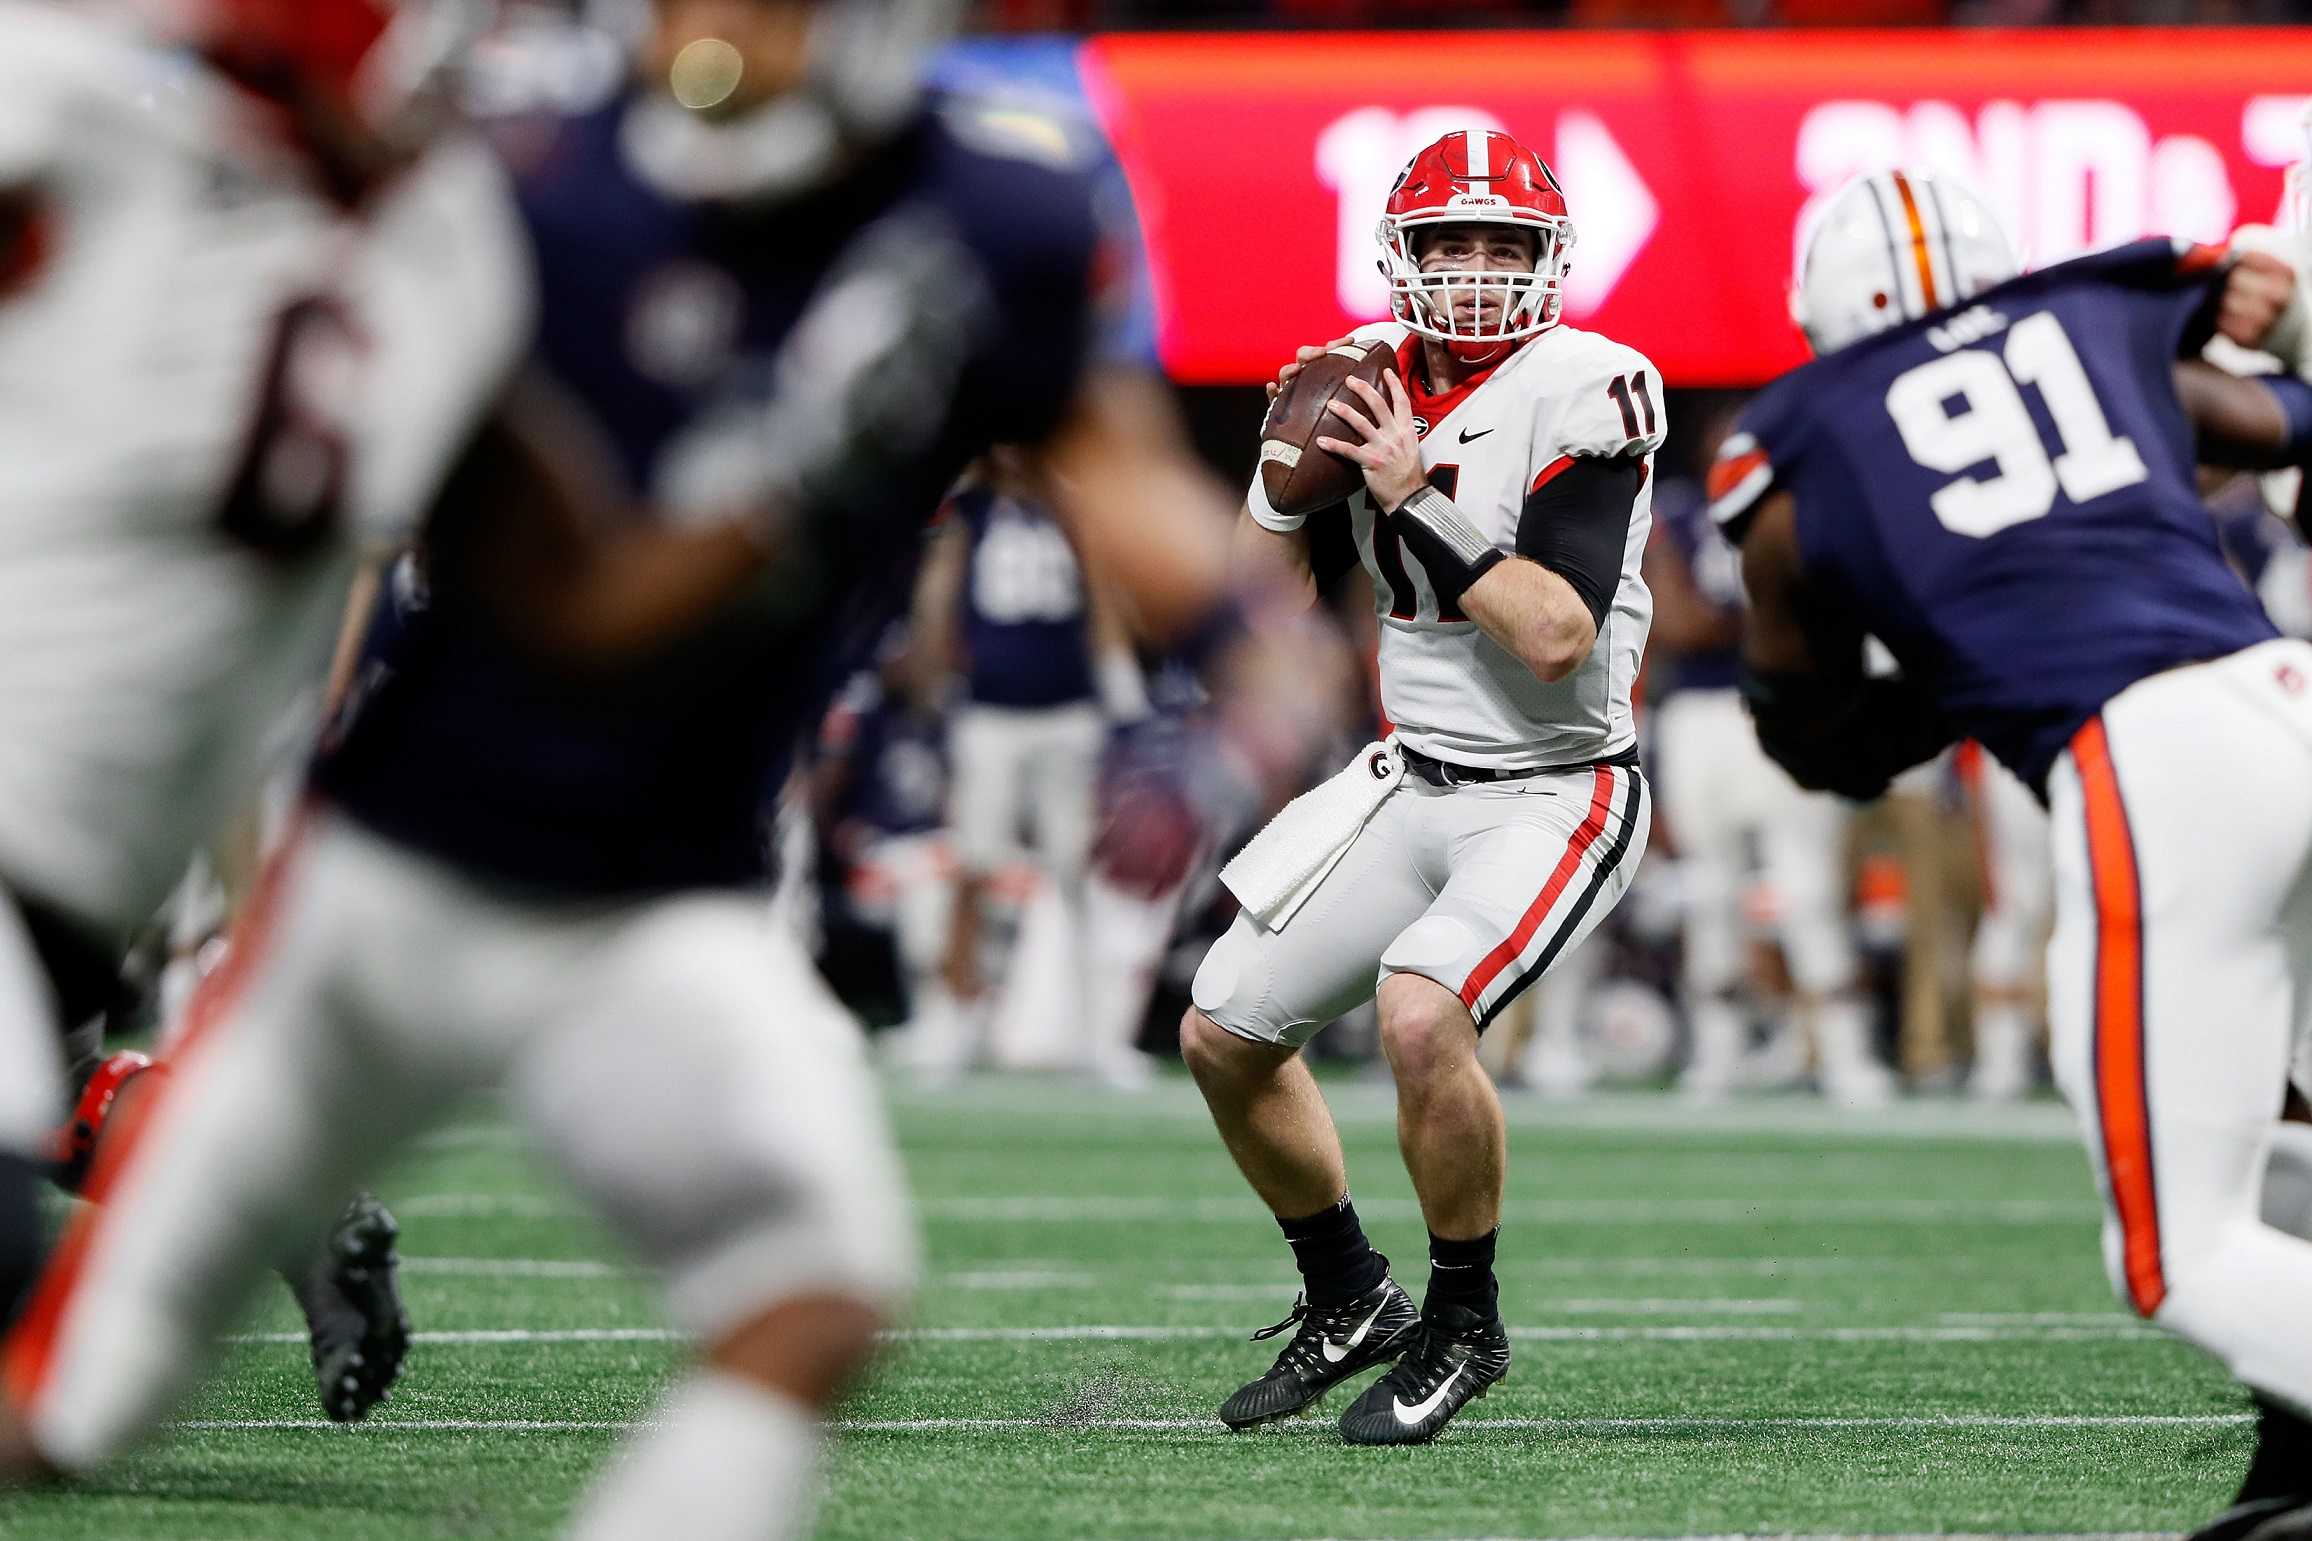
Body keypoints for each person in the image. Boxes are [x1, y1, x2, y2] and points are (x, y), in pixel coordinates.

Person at [0, 2, 1339, 1535]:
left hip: (654, 910)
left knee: (820, 1288)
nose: (704, 31)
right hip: (384, 887)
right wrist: (798, 466)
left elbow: (1142, 499)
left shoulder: (991, 213)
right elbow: (573, 611)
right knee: (68, 1402)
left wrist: (1243, 703)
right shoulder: (519, 196)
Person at [1711, 167, 2312, 1541]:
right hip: (2287, 699)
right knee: (2280, 1140)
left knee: (2176, 1255)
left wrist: (1948, 660)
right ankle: (2297, 1472)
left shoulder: (1800, 457)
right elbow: (2280, 420)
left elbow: (1823, 744)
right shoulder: (2096, 331)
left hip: (2158, 764)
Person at [0, 0, 540, 1415]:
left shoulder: (78, 115)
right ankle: (280, 1209)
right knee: (47, 1090)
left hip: (48, 731)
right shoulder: (456, 259)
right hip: (116, 801)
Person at [1180, 127, 1661, 1445]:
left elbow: (1558, 632)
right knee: (1223, 1031)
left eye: (1503, 244)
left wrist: (1409, 496)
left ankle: (1464, 1318)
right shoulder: (1360, 371)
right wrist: (1282, 495)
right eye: (1451, 241)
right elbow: (1255, 607)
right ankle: (1350, 1295)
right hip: (1411, 775)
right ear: (1403, 253)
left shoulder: (1594, 383)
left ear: (1550, 259)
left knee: (1417, 1010)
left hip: (1561, 785)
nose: (1476, 269)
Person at [1644, 434, 1884, 1105]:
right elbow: (1680, 622)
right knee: (1710, 889)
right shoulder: (1680, 508)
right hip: (1701, 714)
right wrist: (1761, 622)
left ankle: (1844, 1052)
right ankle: (1718, 1052)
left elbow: (1823, 615)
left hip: (1779, 706)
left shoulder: (1801, 509)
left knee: (1808, 890)